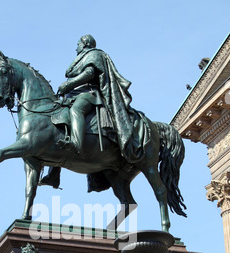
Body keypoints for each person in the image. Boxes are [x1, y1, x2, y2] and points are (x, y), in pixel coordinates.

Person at [40, 34, 150, 189]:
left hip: (90, 94)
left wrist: (69, 84)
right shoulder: (81, 57)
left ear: (85, 43)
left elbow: (90, 73)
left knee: (77, 110)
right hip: (74, 95)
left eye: (78, 43)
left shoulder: (94, 54)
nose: (76, 47)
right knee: (58, 121)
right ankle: (53, 175)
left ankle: (76, 144)